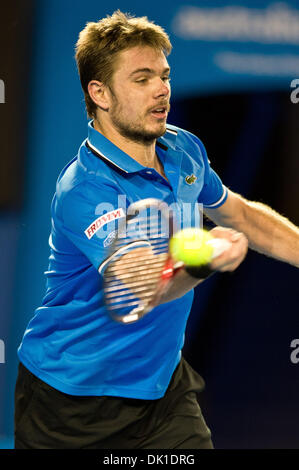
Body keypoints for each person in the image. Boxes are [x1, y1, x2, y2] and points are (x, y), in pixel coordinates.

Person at [14, 11, 299, 450]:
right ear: (100, 93)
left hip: (163, 389)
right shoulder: (84, 189)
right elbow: (139, 289)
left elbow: (240, 216)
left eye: (164, 76)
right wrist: (204, 256)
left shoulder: (184, 148)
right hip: (72, 402)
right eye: (142, 78)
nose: (162, 89)